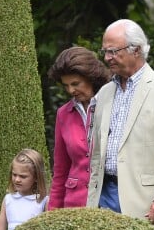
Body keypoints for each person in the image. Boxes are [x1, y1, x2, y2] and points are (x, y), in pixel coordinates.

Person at [86, 19, 154, 229]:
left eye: (113, 51)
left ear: (137, 50)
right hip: (103, 198)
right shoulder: (104, 93)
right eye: (105, 51)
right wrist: (91, 201)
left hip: (148, 204)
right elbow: (97, 153)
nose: (107, 58)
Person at [47, 46, 111, 210]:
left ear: (92, 78)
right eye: (66, 85)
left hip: (110, 201)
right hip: (74, 204)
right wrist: (53, 212)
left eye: (76, 83)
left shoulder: (114, 105)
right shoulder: (63, 114)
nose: (71, 90)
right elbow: (60, 170)